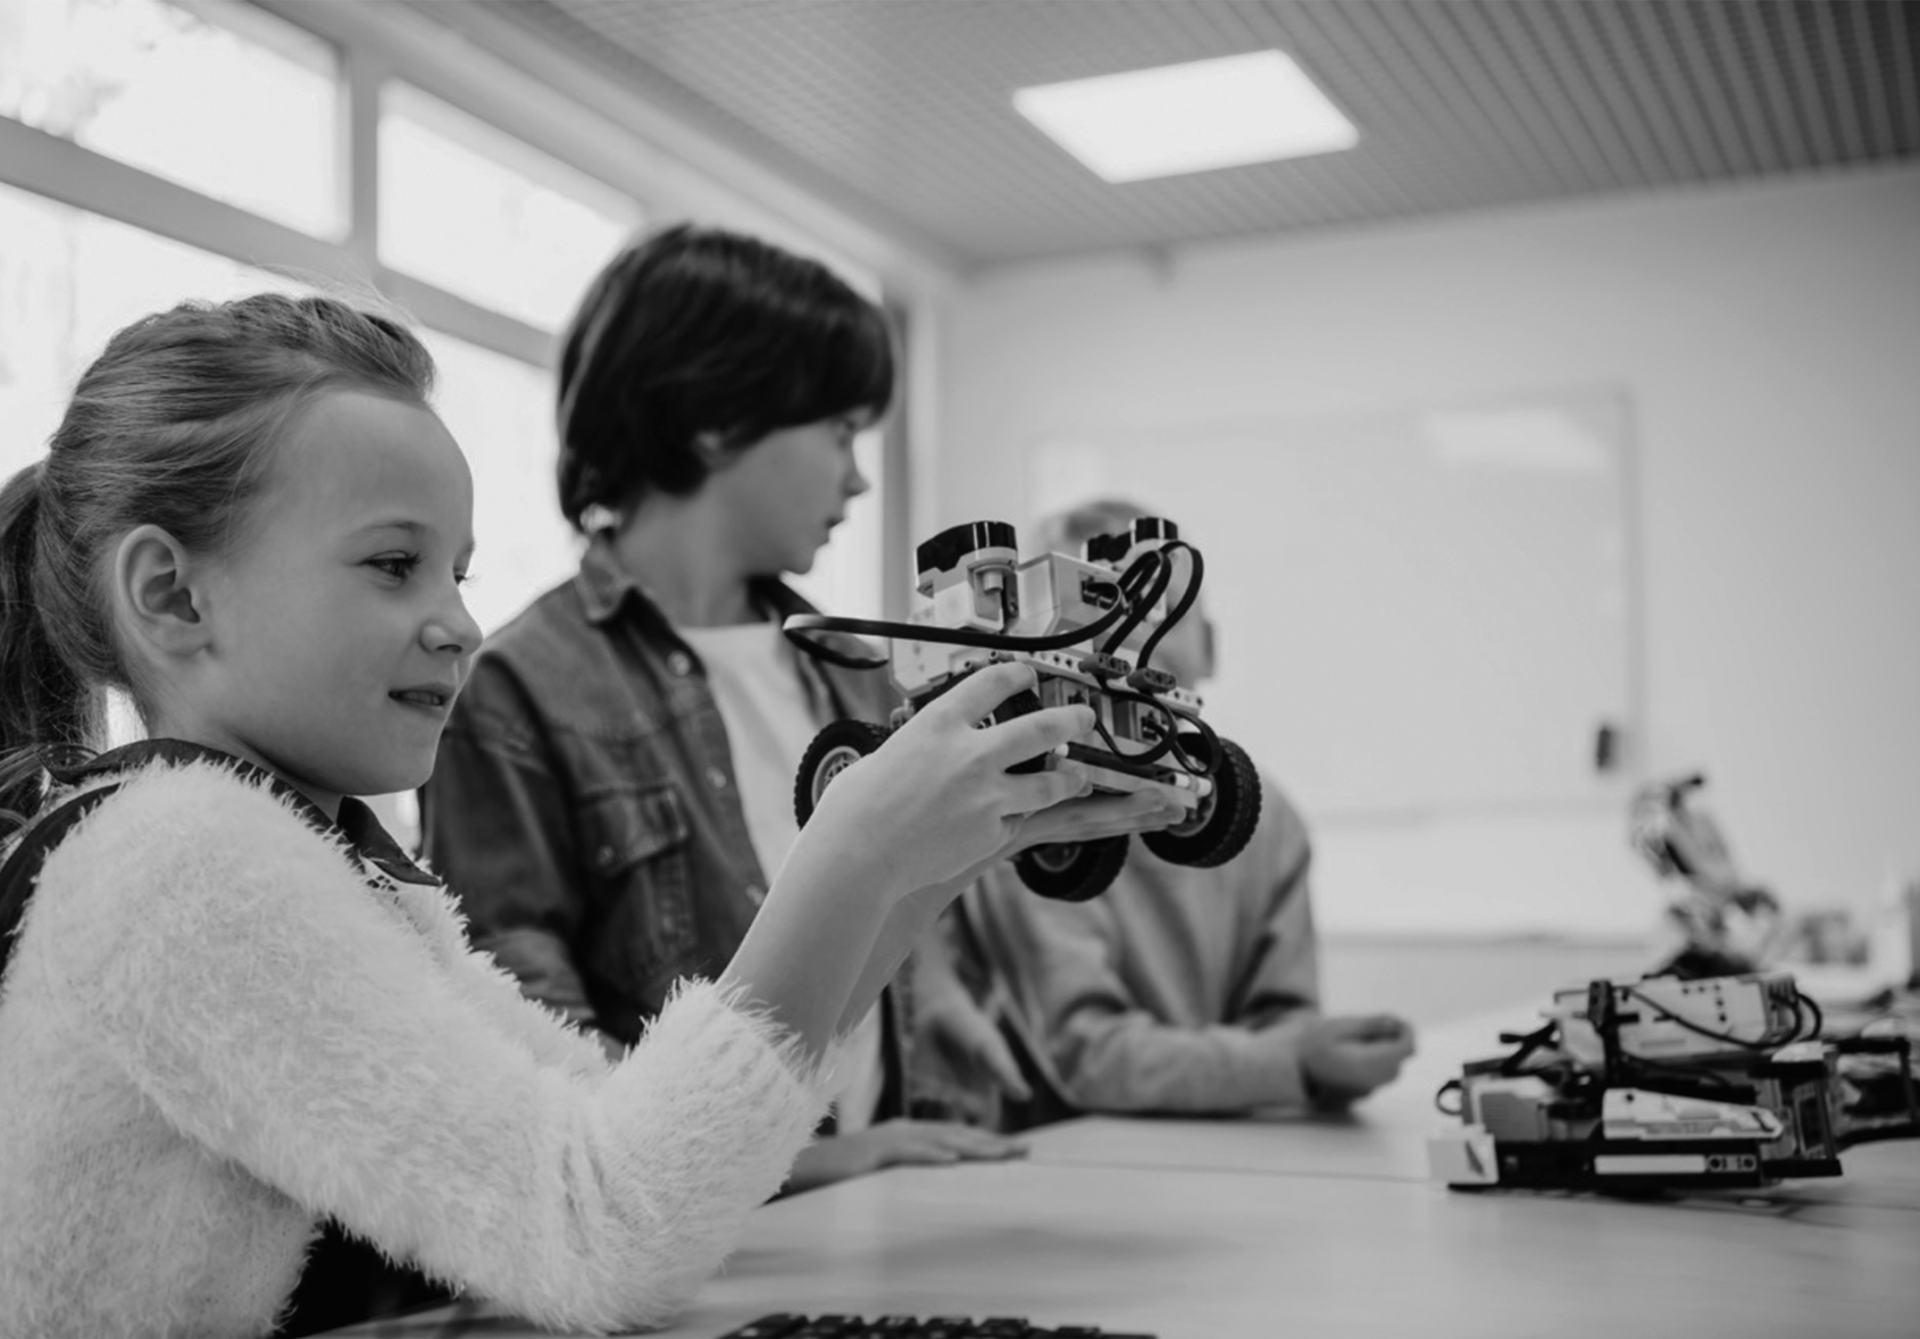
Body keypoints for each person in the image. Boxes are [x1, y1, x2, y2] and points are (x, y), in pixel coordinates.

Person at [0, 293, 1175, 1338]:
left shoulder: (292, 855)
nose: (460, 621)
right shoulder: (182, 868)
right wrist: (856, 859)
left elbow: (626, 1125)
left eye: (457, 570)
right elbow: (602, 1231)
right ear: (171, 594)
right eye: (392, 564)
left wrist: (924, 867)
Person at [420, 224, 1033, 1191]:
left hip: (886, 1212)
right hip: (700, 1259)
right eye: (838, 431)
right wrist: (817, 1165)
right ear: (714, 419)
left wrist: (943, 991)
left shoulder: (855, 668)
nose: (858, 474)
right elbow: (541, 1073)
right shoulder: (518, 690)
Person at [951, 498, 1417, 1125]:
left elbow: (1286, 1027)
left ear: (1213, 647)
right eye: (1102, 603)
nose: (1139, 631)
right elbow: (1086, 1053)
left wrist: (1310, 1058)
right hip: (1065, 1159)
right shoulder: (1024, 804)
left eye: (1164, 608)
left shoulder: (1269, 818)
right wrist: (1292, 1063)